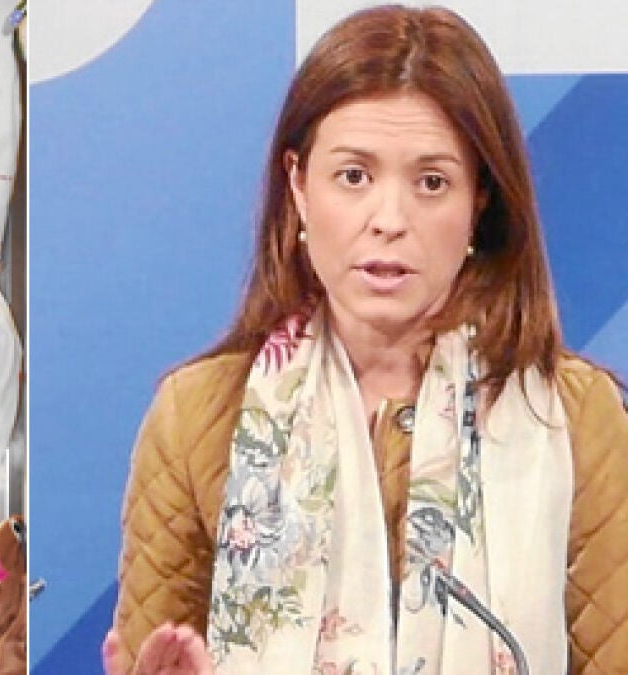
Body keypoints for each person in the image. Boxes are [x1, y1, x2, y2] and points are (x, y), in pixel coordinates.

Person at [103, 5, 628, 674]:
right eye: (354, 176)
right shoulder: (195, 416)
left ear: (480, 201)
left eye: (432, 182)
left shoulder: (575, 417)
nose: (389, 219)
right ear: (298, 185)